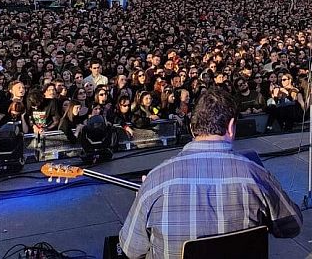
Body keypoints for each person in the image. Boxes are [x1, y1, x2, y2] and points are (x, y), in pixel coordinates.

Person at [119, 87, 302, 259]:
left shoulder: (155, 180)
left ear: (192, 128)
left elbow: (132, 249)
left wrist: (141, 197)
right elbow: (293, 225)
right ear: (231, 126)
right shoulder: (255, 174)